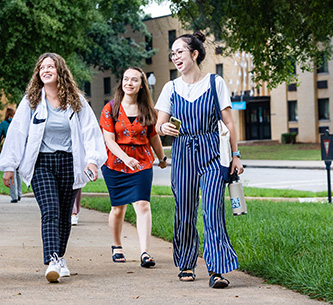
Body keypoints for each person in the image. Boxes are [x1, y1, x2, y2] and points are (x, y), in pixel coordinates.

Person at [0, 52, 107, 283]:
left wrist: (92, 160)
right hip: (41, 163)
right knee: (51, 211)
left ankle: (59, 258)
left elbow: (89, 131)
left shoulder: (76, 100)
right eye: (41, 68)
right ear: (38, 74)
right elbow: (18, 132)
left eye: (51, 67)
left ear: (60, 71)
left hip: (69, 162)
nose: (45, 70)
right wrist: (9, 166)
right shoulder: (31, 101)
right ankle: (52, 260)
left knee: (65, 215)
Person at [155, 31, 244, 289]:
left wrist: (236, 156)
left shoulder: (215, 83)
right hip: (183, 153)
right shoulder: (170, 88)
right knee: (184, 210)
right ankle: (186, 262)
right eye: (172, 54)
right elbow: (159, 124)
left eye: (179, 52)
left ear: (194, 54)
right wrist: (164, 130)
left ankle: (217, 269)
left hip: (212, 152)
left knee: (212, 211)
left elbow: (228, 122)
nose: (175, 57)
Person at [99, 67, 168, 268]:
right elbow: (109, 141)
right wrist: (125, 158)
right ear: (121, 83)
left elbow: (153, 137)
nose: (129, 83)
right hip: (114, 164)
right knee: (118, 208)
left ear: (141, 85)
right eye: (126, 79)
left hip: (142, 162)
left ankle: (145, 252)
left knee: (143, 204)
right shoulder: (110, 109)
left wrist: (162, 158)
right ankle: (117, 245)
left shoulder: (149, 110)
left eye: (134, 80)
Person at [0, 107, 21, 202]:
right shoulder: (18, 123)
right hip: (19, 148)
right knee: (17, 172)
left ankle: (14, 196)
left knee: (10, 170)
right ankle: (19, 193)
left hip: (9, 148)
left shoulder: (3, 124)